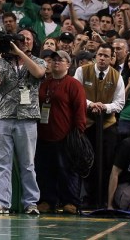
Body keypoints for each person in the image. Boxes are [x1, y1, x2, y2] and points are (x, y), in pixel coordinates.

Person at [0, 31, 47, 215]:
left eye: (27, 39)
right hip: (4, 117)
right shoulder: (4, 61)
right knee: (2, 163)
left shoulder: (39, 61)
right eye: (20, 39)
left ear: (32, 43)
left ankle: (30, 203)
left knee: (27, 164)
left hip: (27, 119)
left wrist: (19, 52)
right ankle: (2, 203)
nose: (23, 41)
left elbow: (38, 73)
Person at [74, 43, 125, 209]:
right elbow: (77, 94)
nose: (102, 58)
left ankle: (103, 198)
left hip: (108, 125)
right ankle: (87, 197)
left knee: (107, 162)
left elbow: (120, 102)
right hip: (87, 123)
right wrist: (90, 104)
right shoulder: (82, 71)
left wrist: (105, 107)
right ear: (95, 56)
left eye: (106, 56)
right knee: (87, 161)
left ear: (112, 59)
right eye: (100, 55)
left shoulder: (117, 76)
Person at [36, 49, 87, 214]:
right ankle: (47, 200)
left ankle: (70, 201)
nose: (56, 62)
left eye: (61, 59)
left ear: (68, 64)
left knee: (67, 170)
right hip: (44, 135)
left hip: (66, 136)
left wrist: (78, 132)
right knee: (45, 170)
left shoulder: (73, 84)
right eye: (54, 59)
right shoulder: (45, 84)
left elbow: (80, 109)